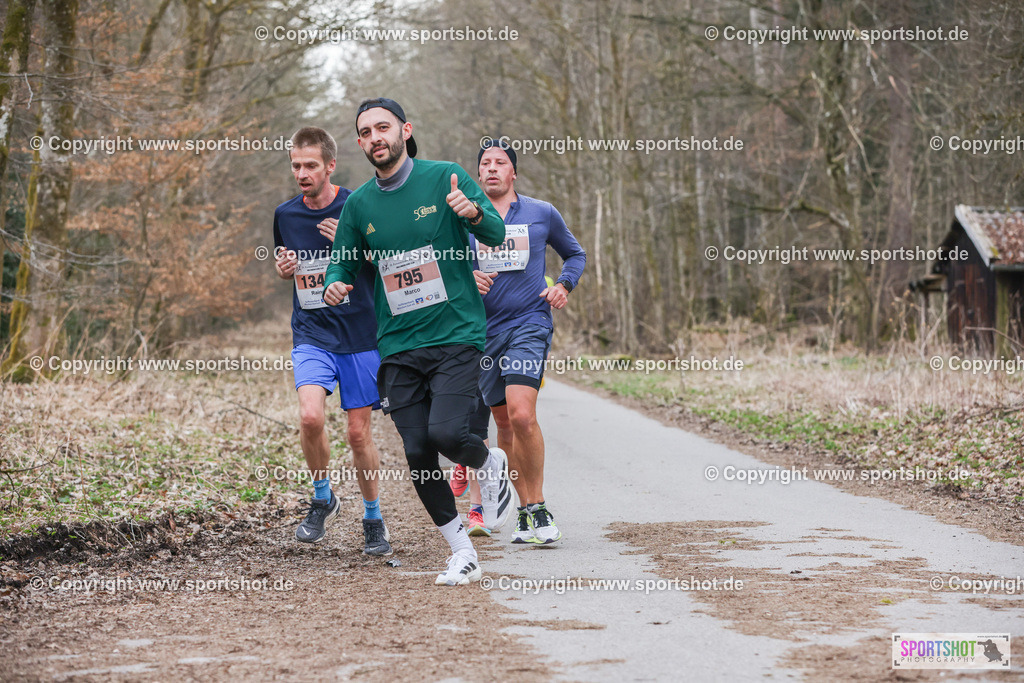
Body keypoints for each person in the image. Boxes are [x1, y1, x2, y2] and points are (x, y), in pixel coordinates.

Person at [323, 98, 512, 586]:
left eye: (382, 127)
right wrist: (335, 283)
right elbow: (343, 262)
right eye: (365, 132)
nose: (374, 138)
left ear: (405, 131)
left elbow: (493, 232)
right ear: (361, 143)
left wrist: (471, 212)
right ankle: (461, 551)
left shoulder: (445, 177)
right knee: (417, 452)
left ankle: (489, 463)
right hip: (398, 344)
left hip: (454, 333)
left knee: (449, 435)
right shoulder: (360, 204)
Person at [273, 126, 391, 556]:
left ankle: (373, 516)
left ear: (330, 166)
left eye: (310, 165)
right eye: (296, 165)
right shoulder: (285, 214)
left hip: (361, 336)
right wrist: (284, 269)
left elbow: (389, 263)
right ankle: (322, 498)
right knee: (310, 418)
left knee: (359, 435)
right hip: (312, 333)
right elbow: (286, 262)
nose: (301, 173)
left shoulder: (359, 205)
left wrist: (351, 244)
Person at [470, 138, 585, 544]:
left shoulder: (541, 213)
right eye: (485, 163)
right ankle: (522, 511)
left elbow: (575, 254)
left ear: (513, 172)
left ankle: (537, 508)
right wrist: (466, 277)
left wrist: (564, 286)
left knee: (521, 415)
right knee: (502, 423)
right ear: (478, 173)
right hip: (482, 333)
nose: (492, 168)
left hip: (529, 323)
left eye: (500, 162)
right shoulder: (464, 218)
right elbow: (442, 268)